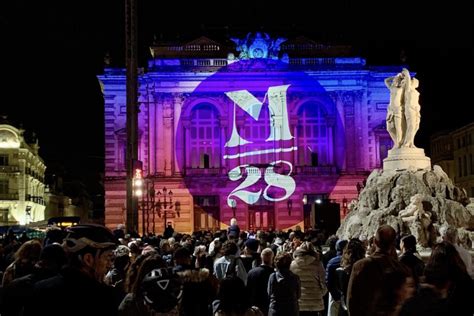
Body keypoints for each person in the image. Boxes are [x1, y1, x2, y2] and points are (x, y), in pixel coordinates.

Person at [25, 224, 120, 316]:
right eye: (108, 257)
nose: (110, 264)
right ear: (88, 259)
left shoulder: (41, 289)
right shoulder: (103, 297)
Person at [347, 225, 413, 316]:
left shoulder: (360, 266)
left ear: (374, 242)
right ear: (394, 244)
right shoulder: (402, 269)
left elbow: (351, 300)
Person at [290, 241, 327, 315]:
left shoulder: (293, 265)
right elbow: (323, 282)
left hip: (299, 302)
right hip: (315, 301)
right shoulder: (318, 264)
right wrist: (320, 294)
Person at [246, 248, 275, 315]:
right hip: (268, 307)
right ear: (272, 259)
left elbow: (248, 290)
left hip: (254, 307)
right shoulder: (274, 274)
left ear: (261, 257)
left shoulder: (251, 272)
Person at [385, 72, 406, 148]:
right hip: (391, 110)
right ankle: (396, 142)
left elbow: (407, 82)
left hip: (398, 109)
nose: (394, 81)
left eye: (395, 80)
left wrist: (401, 77)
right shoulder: (392, 88)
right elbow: (386, 80)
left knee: (398, 127)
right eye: (394, 80)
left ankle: (399, 144)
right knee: (389, 128)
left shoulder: (401, 88)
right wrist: (395, 76)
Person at [401, 69, 421, 148]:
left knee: (416, 126)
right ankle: (407, 143)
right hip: (410, 109)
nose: (416, 82)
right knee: (411, 126)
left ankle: (411, 142)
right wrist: (406, 73)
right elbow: (408, 81)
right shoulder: (408, 90)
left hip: (416, 110)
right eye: (414, 81)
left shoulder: (415, 91)